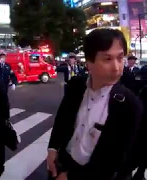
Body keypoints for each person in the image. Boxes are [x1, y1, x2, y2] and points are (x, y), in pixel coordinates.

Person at [47, 29, 143, 180]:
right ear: (89, 63)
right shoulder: (76, 86)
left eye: (120, 58)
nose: (117, 67)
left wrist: (71, 177)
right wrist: (52, 148)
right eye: (107, 59)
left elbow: (122, 161)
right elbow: (62, 119)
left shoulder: (129, 104)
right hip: (63, 164)